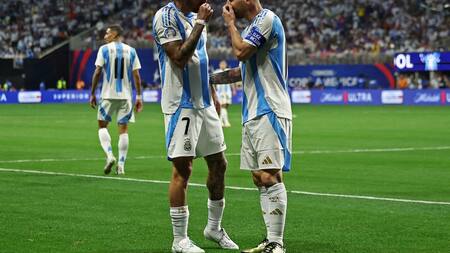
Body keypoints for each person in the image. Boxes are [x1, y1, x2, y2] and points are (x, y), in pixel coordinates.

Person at [152, 1, 239, 252]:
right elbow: (179, 57)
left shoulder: (195, 15)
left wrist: (212, 93)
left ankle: (214, 228)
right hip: (181, 104)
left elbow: (201, 58)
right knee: (183, 169)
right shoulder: (165, 17)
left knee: (219, 163)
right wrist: (200, 23)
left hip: (204, 103)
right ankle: (179, 239)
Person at [211, 1, 293, 252]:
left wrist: (230, 24)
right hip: (252, 113)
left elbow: (241, 53)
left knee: (270, 175)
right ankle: (270, 238)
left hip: (269, 108)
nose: (228, 3)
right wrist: (209, 79)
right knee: (259, 177)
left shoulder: (266, 19)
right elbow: (241, 69)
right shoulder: (251, 31)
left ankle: (277, 243)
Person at [89, 24, 143, 175]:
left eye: (107, 34)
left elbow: (98, 71)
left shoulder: (104, 50)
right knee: (123, 130)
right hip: (125, 96)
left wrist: (92, 93)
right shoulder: (131, 51)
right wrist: (139, 96)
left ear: (114, 34)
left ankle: (110, 155)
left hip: (107, 95)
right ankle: (121, 165)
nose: (105, 36)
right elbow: (137, 76)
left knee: (102, 126)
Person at [214, 60, 236, 127]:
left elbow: (232, 81)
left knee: (225, 107)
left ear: (226, 65)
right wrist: (214, 90)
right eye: (221, 64)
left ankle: (222, 122)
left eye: (224, 64)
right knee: (221, 106)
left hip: (227, 92)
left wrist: (233, 89)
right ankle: (224, 122)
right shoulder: (217, 72)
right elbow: (214, 82)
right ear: (219, 65)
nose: (223, 65)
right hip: (220, 92)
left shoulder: (228, 71)